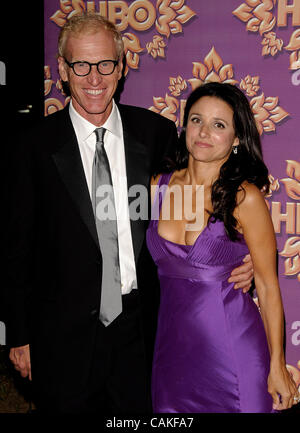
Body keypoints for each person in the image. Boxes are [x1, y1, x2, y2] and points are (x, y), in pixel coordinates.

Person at [4, 14, 253, 414]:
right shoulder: (31, 147)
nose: (94, 78)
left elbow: (207, 201)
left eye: (105, 64)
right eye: (80, 65)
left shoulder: (155, 134)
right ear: (63, 71)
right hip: (61, 335)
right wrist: (19, 335)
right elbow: (16, 249)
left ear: (121, 68)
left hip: (144, 329)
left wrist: (244, 258)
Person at [147, 82, 299, 413]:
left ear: (237, 140)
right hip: (171, 354)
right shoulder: (156, 186)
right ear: (185, 126)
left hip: (233, 353)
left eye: (219, 125)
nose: (204, 131)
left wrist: (277, 365)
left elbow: (269, 289)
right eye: (197, 119)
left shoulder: (245, 198)